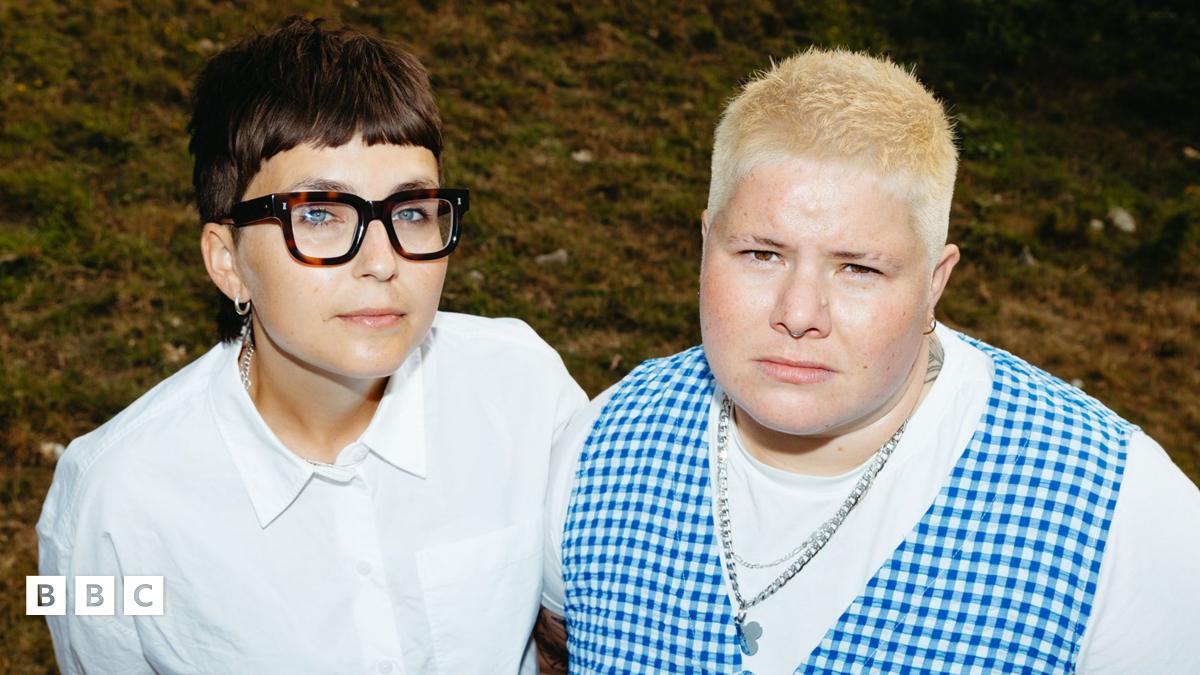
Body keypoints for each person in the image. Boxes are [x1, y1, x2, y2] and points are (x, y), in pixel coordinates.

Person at [537, 48, 1200, 673]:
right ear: (707, 243)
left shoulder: (1120, 511)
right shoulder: (597, 447)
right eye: (761, 254)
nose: (798, 312)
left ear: (935, 282)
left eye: (858, 267)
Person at [37, 17, 585, 674]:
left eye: (411, 210)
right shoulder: (112, 500)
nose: (382, 261)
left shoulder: (522, 385)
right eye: (319, 214)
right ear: (227, 261)